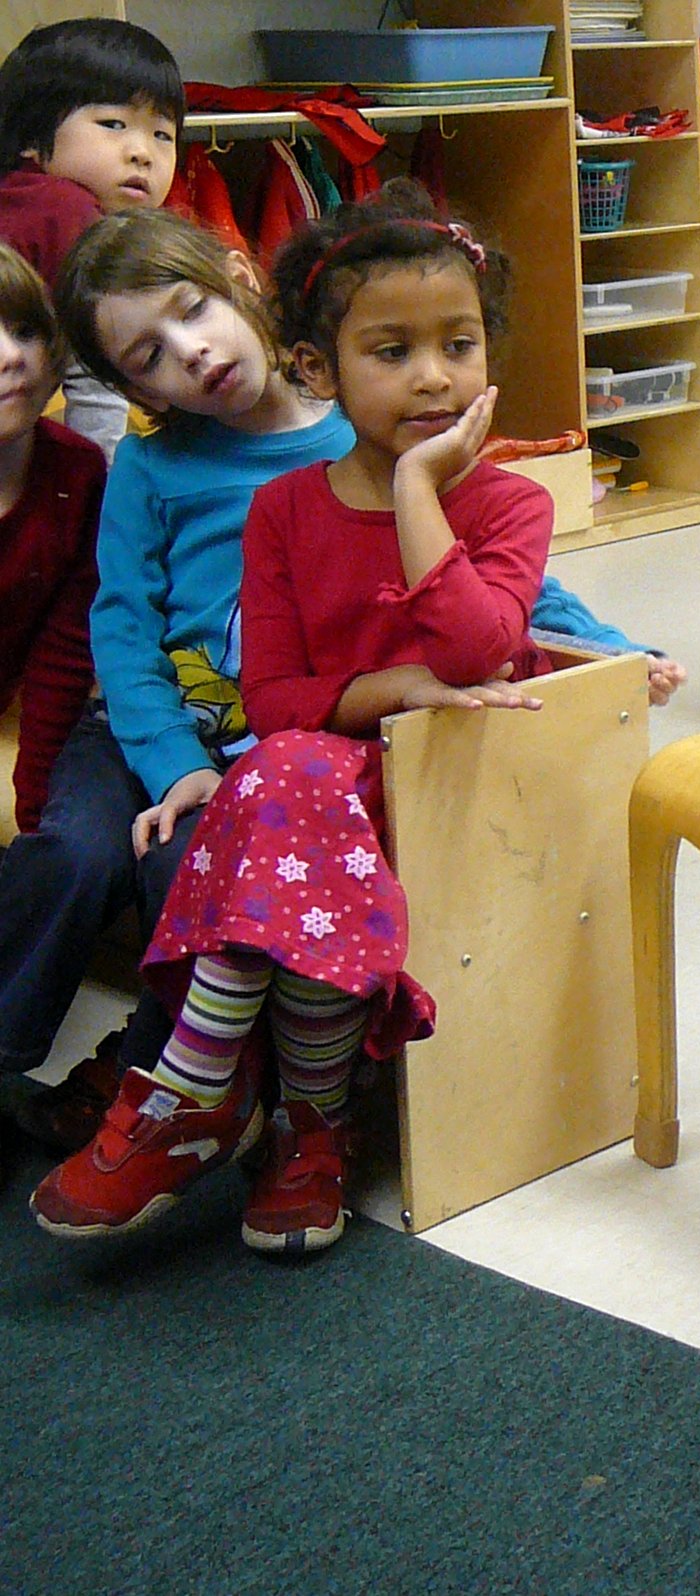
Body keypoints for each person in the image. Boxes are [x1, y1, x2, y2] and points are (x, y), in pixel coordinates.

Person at [30, 180, 556, 1256]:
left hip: (381, 764)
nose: (432, 376)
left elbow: (495, 625)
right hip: (258, 745)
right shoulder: (247, 495)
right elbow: (215, 675)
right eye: (393, 352)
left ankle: (188, 1089)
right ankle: (292, 1119)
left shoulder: (475, 485)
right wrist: (381, 689)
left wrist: (423, 496)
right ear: (323, 364)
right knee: (241, 796)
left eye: (458, 346)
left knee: (269, 792)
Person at [1, 208, 353, 1155]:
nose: (190, 353)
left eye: (192, 311)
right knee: (70, 854)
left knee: (182, 868)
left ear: (239, 275)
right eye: (149, 356)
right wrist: (171, 764)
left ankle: (150, 1088)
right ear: (130, 389)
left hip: (256, 754)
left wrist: (605, 644)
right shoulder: (151, 468)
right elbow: (120, 630)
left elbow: (484, 551)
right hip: (134, 734)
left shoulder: (355, 434)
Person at [0, 18, 182, 459]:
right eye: (114, 124)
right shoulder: (65, 209)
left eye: (162, 135)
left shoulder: (25, 199)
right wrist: (103, 474)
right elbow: (93, 373)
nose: (142, 153)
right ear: (31, 137)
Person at [0, 246, 104, 840]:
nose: (11, 356)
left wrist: (35, 826)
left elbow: (61, 661)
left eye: (25, 331)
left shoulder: (76, 475)